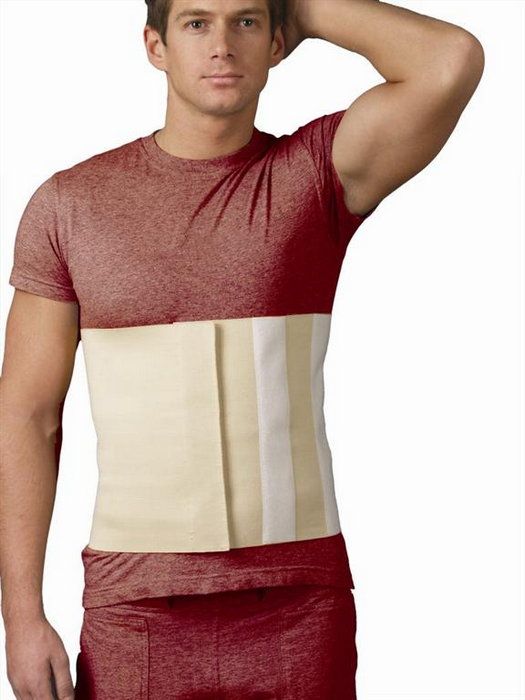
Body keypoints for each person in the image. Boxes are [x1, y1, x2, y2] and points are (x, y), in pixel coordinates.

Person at [0, 0, 484, 697]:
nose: (222, 44)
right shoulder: (70, 204)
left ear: (278, 43)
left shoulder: (316, 175)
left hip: (297, 601)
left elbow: (449, 61)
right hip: (135, 605)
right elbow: (27, 415)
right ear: (155, 46)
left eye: (246, 21)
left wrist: (301, 6)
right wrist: (21, 615)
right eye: (196, 22)